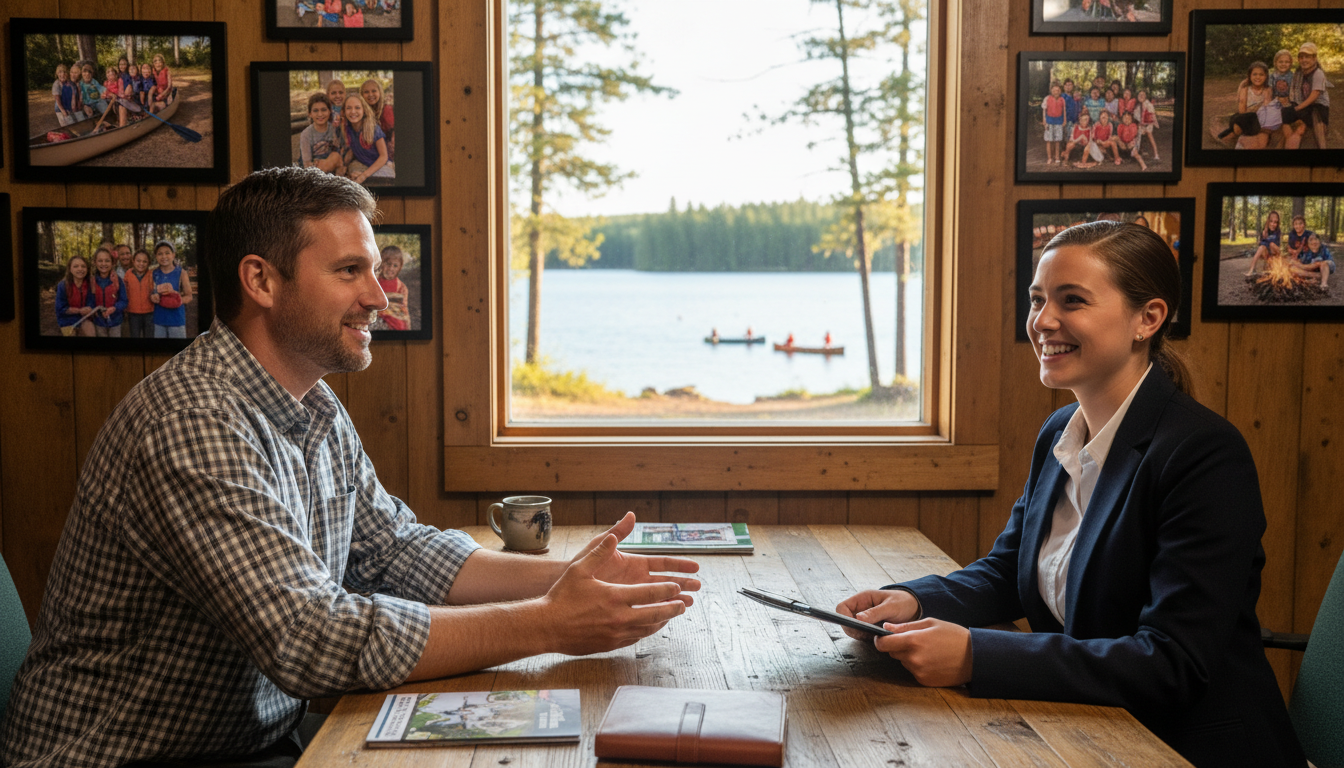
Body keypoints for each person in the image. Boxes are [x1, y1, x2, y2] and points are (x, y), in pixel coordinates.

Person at [0, 167, 700, 768]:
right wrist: (550, 623)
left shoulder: (313, 402)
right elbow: (312, 639)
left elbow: (395, 548)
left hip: (253, 745)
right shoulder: (193, 421)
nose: (379, 295)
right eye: (348, 272)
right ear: (261, 281)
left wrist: (580, 580)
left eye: (374, 269)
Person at [835, 221, 1307, 768]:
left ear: (1147, 319)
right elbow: (1011, 569)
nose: (1043, 321)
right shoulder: (1060, 430)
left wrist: (975, 654)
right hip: (1088, 734)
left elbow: (1171, 662)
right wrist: (914, 602)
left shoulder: (1204, 455)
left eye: (1072, 300)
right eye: (1038, 300)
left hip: (1189, 748)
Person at [1286, 42, 1332, 150]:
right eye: (1301, 57)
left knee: (1316, 116)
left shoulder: (1318, 73)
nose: (1304, 60)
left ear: (1314, 58)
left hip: (1317, 105)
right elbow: (1294, 90)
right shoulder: (1298, 72)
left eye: (1307, 57)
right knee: (1288, 117)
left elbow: (1314, 95)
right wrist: (1293, 105)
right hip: (1303, 103)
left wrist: (1298, 108)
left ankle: (1322, 147)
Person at [1214, 62, 1270, 147]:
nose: (1258, 77)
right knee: (1238, 118)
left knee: (1255, 119)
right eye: (1254, 74)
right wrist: (1251, 114)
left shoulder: (1267, 89)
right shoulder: (1245, 89)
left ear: (1266, 76)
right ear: (1249, 76)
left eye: (1261, 74)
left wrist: (1256, 113)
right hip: (1243, 117)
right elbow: (1242, 110)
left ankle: (1231, 134)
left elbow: (1266, 107)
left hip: (1258, 117)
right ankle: (1235, 131)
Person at [341, 94, 393, 183]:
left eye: (357, 108)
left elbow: (383, 157)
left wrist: (364, 175)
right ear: (344, 111)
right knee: (353, 171)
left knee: (384, 177)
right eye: (349, 108)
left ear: (364, 110)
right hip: (362, 164)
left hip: (380, 165)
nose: (353, 111)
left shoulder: (373, 128)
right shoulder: (347, 128)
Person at [150, 239, 193, 338]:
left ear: (173, 255)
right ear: (156, 256)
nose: (164, 256)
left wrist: (177, 300)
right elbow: (151, 293)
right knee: (161, 352)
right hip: (158, 320)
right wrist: (153, 297)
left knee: (178, 351)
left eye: (167, 253)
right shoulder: (153, 273)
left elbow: (189, 296)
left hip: (176, 320)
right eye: (160, 254)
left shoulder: (181, 273)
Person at [299, 92, 346, 176]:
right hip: (315, 171)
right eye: (315, 110)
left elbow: (339, 154)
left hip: (333, 169)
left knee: (335, 156)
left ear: (329, 111)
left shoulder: (334, 129)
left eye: (324, 110)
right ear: (310, 114)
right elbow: (306, 164)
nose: (320, 114)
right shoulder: (306, 134)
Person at [89, 247, 128, 338]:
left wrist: (115, 308)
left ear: (112, 263)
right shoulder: (92, 281)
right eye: (100, 261)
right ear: (95, 262)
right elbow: (90, 301)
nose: (103, 264)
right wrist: (97, 311)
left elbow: (124, 301)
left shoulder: (117, 280)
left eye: (107, 261)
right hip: (99, 322)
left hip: (115, 321)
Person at [54, 254, 95, 338]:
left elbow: (91, 302)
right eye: (76, 266)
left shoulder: (90, 283)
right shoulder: (63, 285)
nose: (80, 269)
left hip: (84, 317)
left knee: (92, 334)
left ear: (87, 269)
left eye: (83, 266)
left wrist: (89, 308)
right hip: (66, 319)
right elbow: (60, 308)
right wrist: (79, 310)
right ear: (70, 269)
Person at [375, 244, 411, 331]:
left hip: (396, 322)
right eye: (388, 264)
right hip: (378, 320)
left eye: (395, 266)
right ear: (381, 263)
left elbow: (403, 310)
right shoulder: (375, 282)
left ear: (400, 267)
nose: (391, 268)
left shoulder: (401, 287)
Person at [123, 248, 156, 339]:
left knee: (149, 336)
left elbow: (155, 291)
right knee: (135, 336)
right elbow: (125, 292)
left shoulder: (152, 275)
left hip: (149, 313)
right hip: (133, 313)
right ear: (133, 261)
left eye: (144, 261)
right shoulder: (128, 274)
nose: (141, 264)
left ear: (148, 263)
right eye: (138, 261)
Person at [360, 78, 395, 160]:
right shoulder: (361, 111)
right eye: (366, 92)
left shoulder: (386, 109)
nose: (370, 94)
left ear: (380, 92)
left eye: (374, 91)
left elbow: (392, 132)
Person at [1245, 210, 1283, 276]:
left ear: (1277, 223)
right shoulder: (1265, 231)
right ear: (1268, 221)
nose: (1273, 224)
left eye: (1275, 222)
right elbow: (1262, 246)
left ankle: (1273, 267)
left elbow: (1276, 247)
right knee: (1261, 247)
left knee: (1271, 244)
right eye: (1271, 221)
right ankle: (1252, 269)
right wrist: (1264, 236)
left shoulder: (1278, 231)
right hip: (1267, 255)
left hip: (1275, 255)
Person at [1041, 82, 1066, 166]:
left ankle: (1057, 157)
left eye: (1058, 90)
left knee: (1057, 141)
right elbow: (1044, 110)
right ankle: (1049, 158)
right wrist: (1044, 120)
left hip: (1058, 122)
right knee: (1049, 140)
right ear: (1051, 90)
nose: (1056, 91)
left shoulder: (1062, 99)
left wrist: (1064, 120)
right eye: (1054, 90)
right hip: (1049, 121)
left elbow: (1064, 110)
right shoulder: (1047, 98)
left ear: (1060, 91)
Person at [51, 63, 80, 127]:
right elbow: (57, 100)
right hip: (61, 109)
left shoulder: (70, 83)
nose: (62, 74)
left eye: (64, 72)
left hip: (70, 108)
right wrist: (63, 111)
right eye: (60, 72)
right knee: (68, 126)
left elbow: (74, 96)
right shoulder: (57, 84)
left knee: (77, 123)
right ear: (57, 74)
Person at [1135, 89, 1159, 161]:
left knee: (1150, 135)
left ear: (1145, 96)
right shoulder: (1137, 106)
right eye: (1140, 95)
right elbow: (1136, 116)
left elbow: (1151, 116)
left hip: (1148, 124)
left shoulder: (1148, 104)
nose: (1141, 96)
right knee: (1137, 135)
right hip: (1141, 124)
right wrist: (1139, 124)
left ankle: (1156, 154)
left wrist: (1146, 125)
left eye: (1143, 95)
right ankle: (1136, 152)